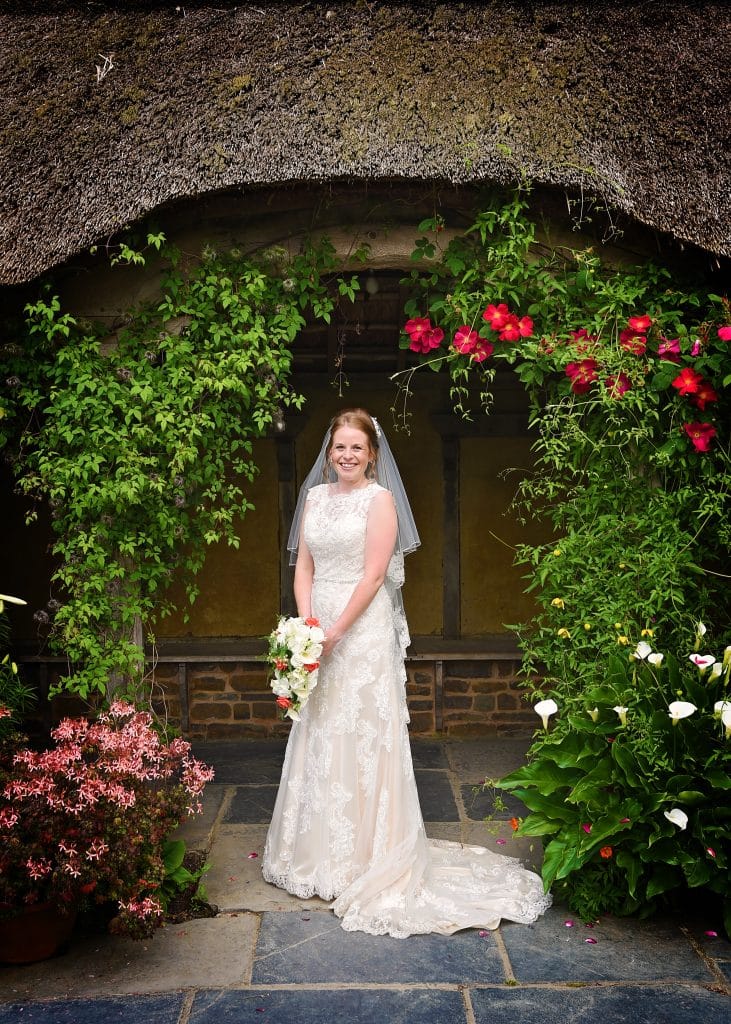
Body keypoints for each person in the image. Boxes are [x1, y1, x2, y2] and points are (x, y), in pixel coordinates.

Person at [262, 408, 551, 936]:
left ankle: (369, 858)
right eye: (338, 447)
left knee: (365, 732)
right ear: (328, 454)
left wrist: (333, 633)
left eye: (356, 447)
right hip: (317, 626)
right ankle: (315, 854)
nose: (346, 455)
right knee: (321, 729)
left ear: (372, 454)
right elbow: (303, 565)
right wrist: (306, 626)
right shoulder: (315, 499)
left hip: (360, 631)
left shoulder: (381, 501)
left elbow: (373, 577)